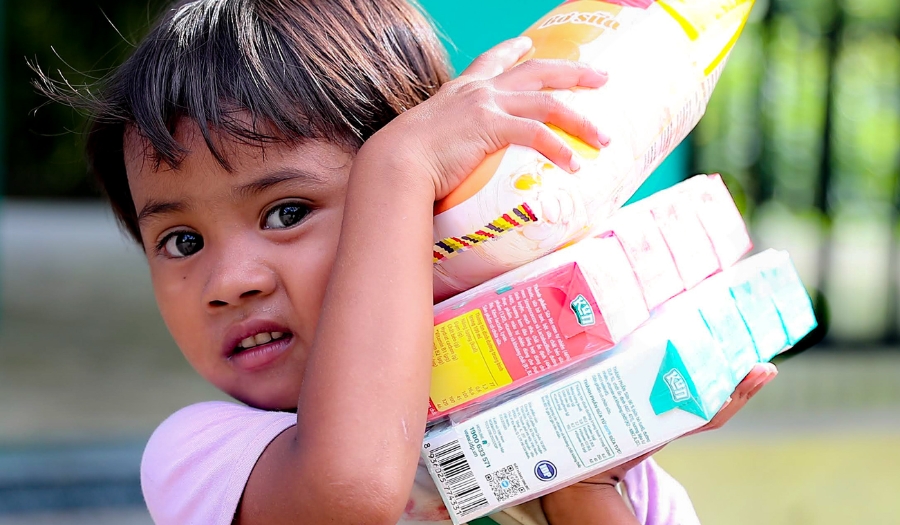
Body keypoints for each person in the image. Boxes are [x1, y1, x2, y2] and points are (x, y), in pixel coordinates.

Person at [37, 0, 776, 523]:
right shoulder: (203, 457)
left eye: (286, 212)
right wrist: (399, 164)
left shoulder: (620, 464)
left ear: (437, 201)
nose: (230, 282)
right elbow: (350, 490)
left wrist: (587, 484)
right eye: (181, 241)